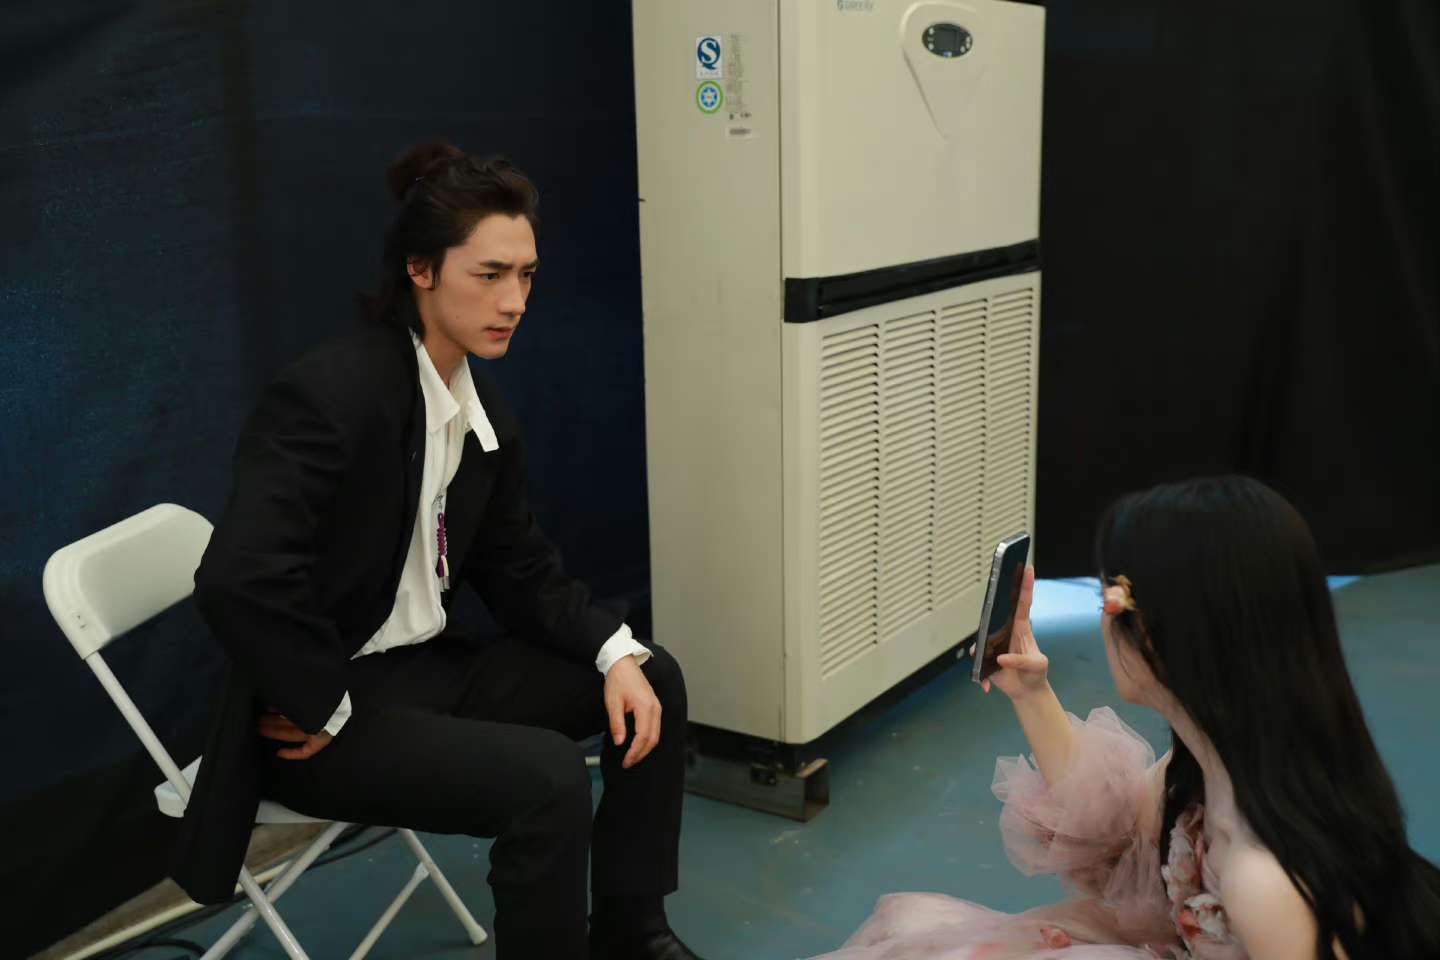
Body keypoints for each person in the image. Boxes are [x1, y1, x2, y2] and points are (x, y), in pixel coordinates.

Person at [172, 141, 704, 960]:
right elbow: (239, 576)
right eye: (488, 275)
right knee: (548, 780)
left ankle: (634, 933)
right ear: (420, 269)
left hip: (424, 672)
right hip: (318, 719)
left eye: (526, 276)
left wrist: (613, 652)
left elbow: (520, 568)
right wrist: (320, 700)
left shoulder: (476, 406)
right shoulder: (331, 395)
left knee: (650, 676)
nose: (514, 301)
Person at [817, 476, 1440, 959]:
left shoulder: (1266, 881)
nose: (1102, 618)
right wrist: (1032, 694)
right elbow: (1116, 845)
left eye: (1106, 597)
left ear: (1160, 635)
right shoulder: (1215, 765)